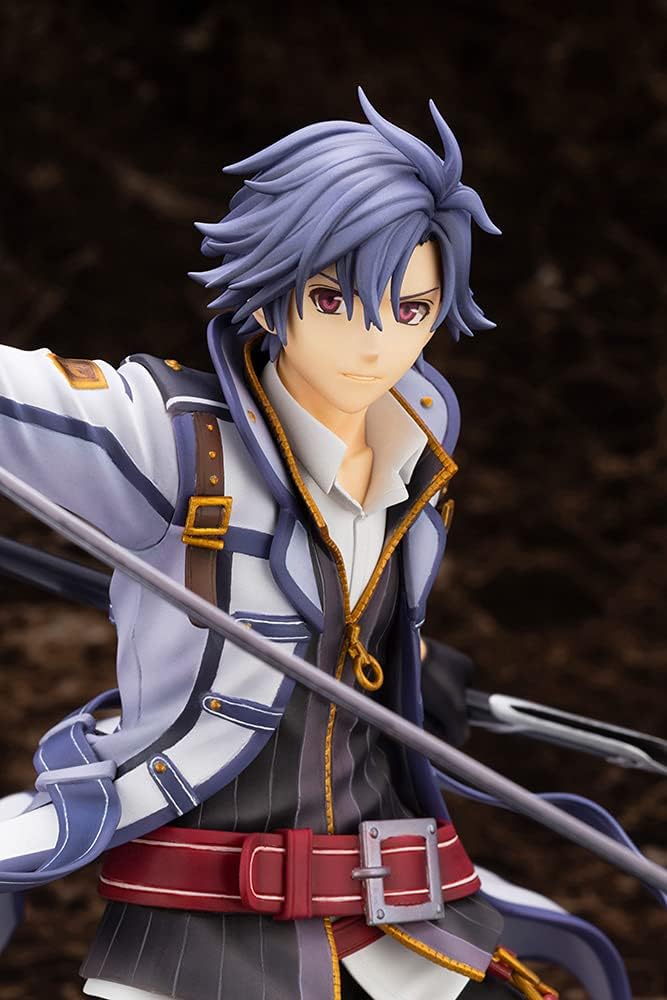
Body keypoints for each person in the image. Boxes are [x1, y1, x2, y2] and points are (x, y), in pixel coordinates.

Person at [0, 89, 631, 999]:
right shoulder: (174, 443)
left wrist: (404, 667)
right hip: (201, 938)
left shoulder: (417, 448)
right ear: (270, 299)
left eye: (410, 309)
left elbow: (363, 623)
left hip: (396, 928)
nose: (373, 343)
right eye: (335, 300)